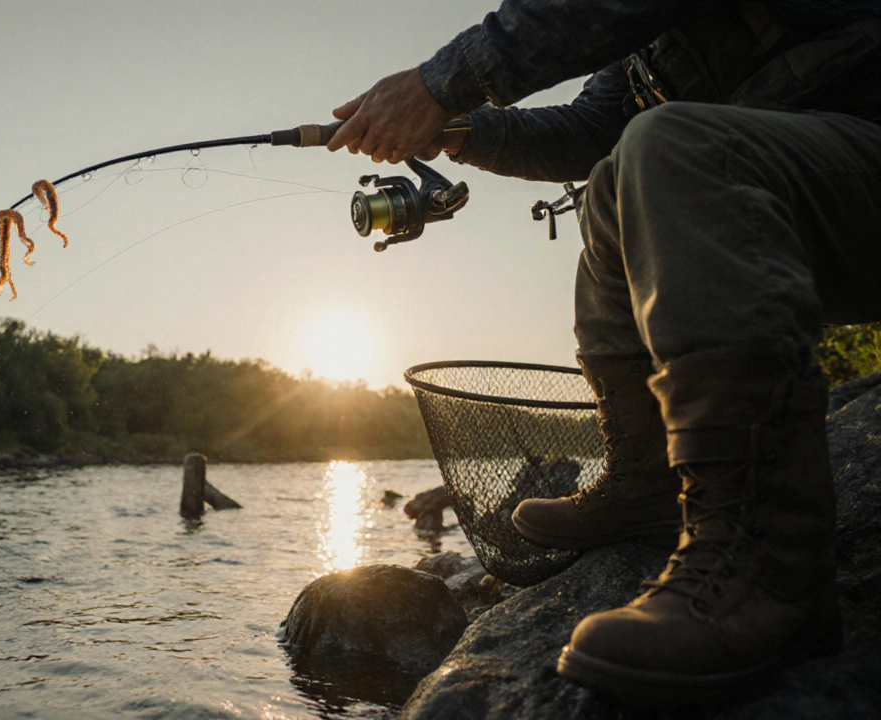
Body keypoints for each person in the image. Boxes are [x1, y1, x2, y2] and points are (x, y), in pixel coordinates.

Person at [326, 0, 881, 705]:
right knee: (614, 181)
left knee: (672, 144)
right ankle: (649, 485)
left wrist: (438, 83)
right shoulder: (643, 55)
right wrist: (455, 129)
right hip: (816, 209)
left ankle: (772, 572)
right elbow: (590, 129)